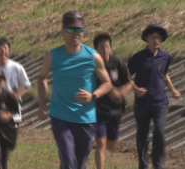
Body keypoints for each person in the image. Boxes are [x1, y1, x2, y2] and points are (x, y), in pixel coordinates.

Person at [37, 11, 113, 169]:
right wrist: (42, 104)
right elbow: (42, 78)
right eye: (70, 29)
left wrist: (93, 95)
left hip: (86, 119)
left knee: (79, 164)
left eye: (78, 29)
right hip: (60, 117)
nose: (75, 33)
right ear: (63, 31)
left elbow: (107, 83)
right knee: (69, 160)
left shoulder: (93, 57)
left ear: (84, 31)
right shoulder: (52, 56)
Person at [128, 24, 181, 169]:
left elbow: (164, 74)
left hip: (160, 102)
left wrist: (173, 90)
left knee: (159, 131)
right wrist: (136, 89)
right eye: (153, 37)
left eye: (159, 37)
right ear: (147, 38)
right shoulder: (138, 57)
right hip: (142, 103)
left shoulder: (166, 56)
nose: (156, 40)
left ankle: (158, 164)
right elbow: (126, 76)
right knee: (143, 136)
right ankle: (143, 165)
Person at [92, 33, 132, 169]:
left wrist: (120, 92)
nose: (105, 50)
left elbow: (129, 84)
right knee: (101, 143)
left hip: (115, 111)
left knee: (111, 145)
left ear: (110, 47)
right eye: (101, 47)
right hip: (98, 110)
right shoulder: (92, 67)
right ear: (96, 49)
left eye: (107, 46)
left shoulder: (118, 64)